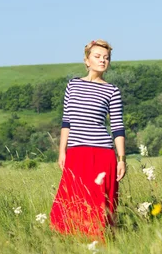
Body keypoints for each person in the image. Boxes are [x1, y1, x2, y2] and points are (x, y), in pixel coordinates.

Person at [50, 39, 126, 240]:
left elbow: (117, 127)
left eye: (106, 58)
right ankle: (72, 244)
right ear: (87, 60)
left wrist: (122, 159)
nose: (103, 61)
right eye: (98, 56)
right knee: (72, 200)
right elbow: (66, 122)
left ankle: (102, 246)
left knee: (98, 204)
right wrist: (62, 151)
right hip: (76, 153)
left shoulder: (112, 91)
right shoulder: (73, 85)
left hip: (102, 154)